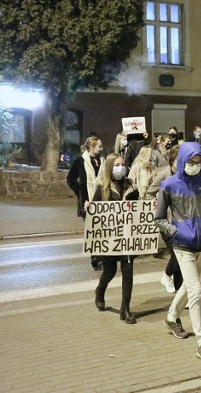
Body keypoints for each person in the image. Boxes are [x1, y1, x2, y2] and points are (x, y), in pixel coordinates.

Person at [155, 142, 201, 362]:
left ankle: (172, 317)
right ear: (183, 160)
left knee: (189, 286)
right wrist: (174, 232)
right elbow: (159, 218)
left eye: (198, 161)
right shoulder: (169, 185)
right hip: (182, 245)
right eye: (191, 162)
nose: (195, 165)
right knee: (195, 290)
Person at [92, 153, 140, 324]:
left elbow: (139, 210)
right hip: (110, 238)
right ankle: (100, 290)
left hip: (127, 237)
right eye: (117, 165)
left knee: (128, 271)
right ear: (110, 168)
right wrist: (87, 207)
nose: (121, 167)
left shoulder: (131, 186)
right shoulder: (103, 188)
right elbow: (94, 215)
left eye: (123, 164)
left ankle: (125, 308)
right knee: (110, 271)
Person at [147, 145, 183, 294]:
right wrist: (157, 204)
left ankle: (169, 277)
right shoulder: (163, 175)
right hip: (166, 222)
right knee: (176, 255)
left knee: (181, 256)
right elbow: (150, 193)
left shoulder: (186, 175)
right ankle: (176, 287)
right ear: (173, 160)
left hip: (182, 222)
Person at [66, 135, 104, 270]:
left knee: (102, 231)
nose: (101, 149)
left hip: (101, 202)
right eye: (99, 146)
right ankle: (96, 260)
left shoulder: (102, 160)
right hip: (87, 203)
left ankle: (102, 256)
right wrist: (81, 193)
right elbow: (70, 180)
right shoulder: (79, 161)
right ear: (91, 147)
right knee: (93, 231)